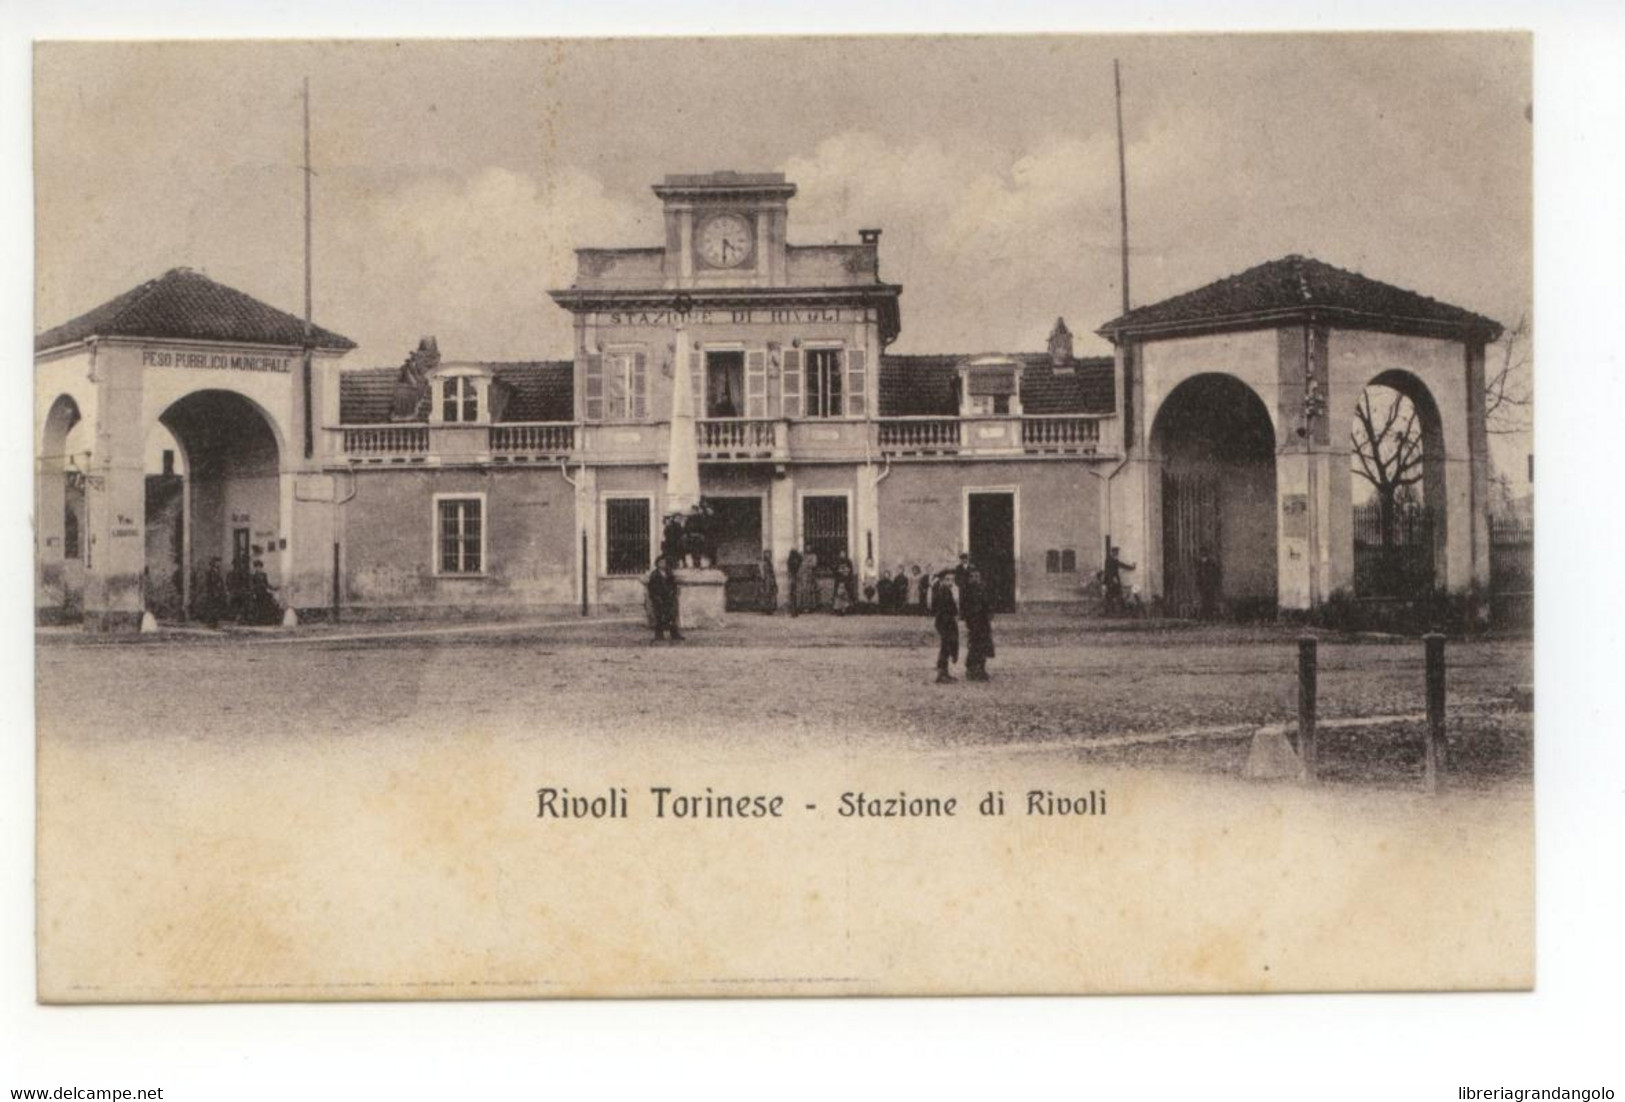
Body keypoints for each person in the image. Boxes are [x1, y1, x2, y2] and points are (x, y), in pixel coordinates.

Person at [961, 565, 996, 682]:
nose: (975, 578)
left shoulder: (983, 589)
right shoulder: (967, 590)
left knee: (984, 646)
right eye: (973, 576)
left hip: (984, 622)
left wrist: (990, 614)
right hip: (974, 623)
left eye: (977, 576)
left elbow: (988, 604)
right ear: (969, 578)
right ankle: (971, 670)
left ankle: (981, 669)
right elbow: (965, 608)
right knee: (974, 646)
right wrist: (968, 621)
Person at [930, 570, 960, 684]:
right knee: (946, 647)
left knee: (946, 646)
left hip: (946, 621)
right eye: (947, 579)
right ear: (942, 580)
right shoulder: (943, 592)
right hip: (945, 622)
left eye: (952, 579)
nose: (950, 582)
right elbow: (950, 609)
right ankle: (942, 674)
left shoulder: (945, 590)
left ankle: (944, 673)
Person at [646, 556, 683, 642]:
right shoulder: (654, 574)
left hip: (669, 598)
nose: (663, 564)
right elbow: (652, 588)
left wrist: (673, 593)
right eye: (661, 562)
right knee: (660, 617)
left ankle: (675, 634)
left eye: (664, 562)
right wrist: (656, 598)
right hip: (659, 599)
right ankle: (659, 635)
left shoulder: (669, 573)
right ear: (657, 564)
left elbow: (674, 585)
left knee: (672, 616)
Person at [1102, 546, 1135, 616]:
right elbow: (1108, 571)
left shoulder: (1114, 560)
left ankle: (1111, 611)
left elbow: (1122, 565)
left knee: (1113, 596)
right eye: (1115, 552)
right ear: (1112, 553)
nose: (1116, 554)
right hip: (1112, 581)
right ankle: (1112, 611)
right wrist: (1111, 580)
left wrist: (1131, 567)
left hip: (1113, 581)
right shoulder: (1109, 560)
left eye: (1117, 552)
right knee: (1114, 595)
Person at [248, 559, 281, 625]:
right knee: (259, 606)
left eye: (260, 567)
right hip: (257, 593)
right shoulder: (253, 576)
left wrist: (274, 588)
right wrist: (254, 593)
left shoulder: (264, 575)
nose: (259, 568)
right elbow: (252, 586)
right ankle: (259, 620)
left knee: (268, 604)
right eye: (257, 567)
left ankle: (267, 620)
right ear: (255, 567)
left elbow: (267, 584)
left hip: (264, 593)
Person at [1195, 546, 1222, 621]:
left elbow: (1216, 574)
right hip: (1203, 586)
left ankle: (1210, 616)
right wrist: (1198, 584)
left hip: (1210, 585)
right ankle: (1206, 616)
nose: (1203, 555)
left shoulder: (1211, 564)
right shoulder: (1199, 564)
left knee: (1210, 601)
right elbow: (1198, 575)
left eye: (1204, 553)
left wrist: (1215, 583)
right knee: (1204, 601)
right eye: (1201, 553)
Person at [795, 547, 820, 614]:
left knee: (809, 591)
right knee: (801, 592)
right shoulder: (803, 556)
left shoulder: (813, 556)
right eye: (807, 547)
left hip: (809, 575)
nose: (808, 549)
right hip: (802, 576)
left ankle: (809, 607)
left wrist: (806, 564)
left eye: (809, 548)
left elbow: (814, 564)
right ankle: (801, 607)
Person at [759, 549, 778, 614]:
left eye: (769, 554)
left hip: (770, 580)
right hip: (766, 581)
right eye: (766, 554)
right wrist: (763, 579)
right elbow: (762, 573)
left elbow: (772, 573)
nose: (768, 556)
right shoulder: (763, 563)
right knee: (766, 594)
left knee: (771, 594)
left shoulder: (770, 563)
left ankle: (771, 609)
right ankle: (766, 609)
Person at [786, 547, 804, 617]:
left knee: (792, 596)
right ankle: (795, 611)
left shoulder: (790, 561)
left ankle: (793, 611)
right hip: (796, 580)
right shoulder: (797, 561)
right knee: (796, 596)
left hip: (792, 580)